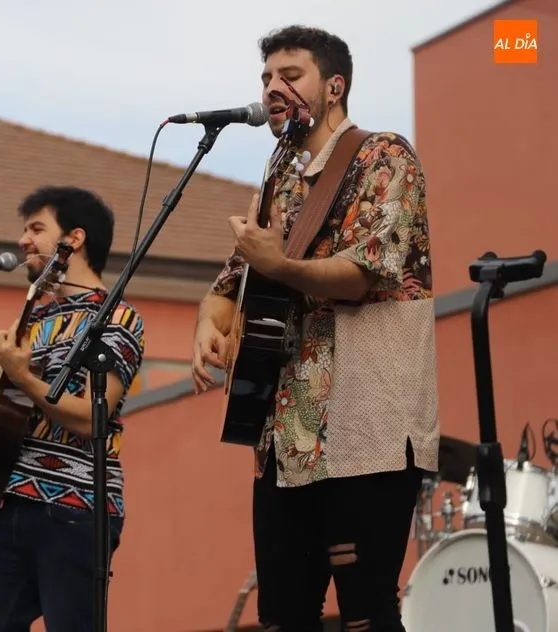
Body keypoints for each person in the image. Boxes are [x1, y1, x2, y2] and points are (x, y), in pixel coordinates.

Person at [191, 25, 439, 631]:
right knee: (281, 617)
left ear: (334, 86)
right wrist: (208, 325)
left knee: (366, 616)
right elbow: (229, 286)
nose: (272, 89)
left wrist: (278, 265)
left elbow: (363, 273)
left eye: (290, 75)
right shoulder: (277, 179)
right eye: (266, 79)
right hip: (283, 441)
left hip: (366, 430)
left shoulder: (383, 156)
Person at [0, 185, 146, 632]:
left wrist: (24, 377)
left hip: (76, 508)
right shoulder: (34, 318)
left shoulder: (118, 318)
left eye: (36, 229)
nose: (23, 240)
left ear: (74, 239)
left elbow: (92, 417)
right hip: (10, 504)